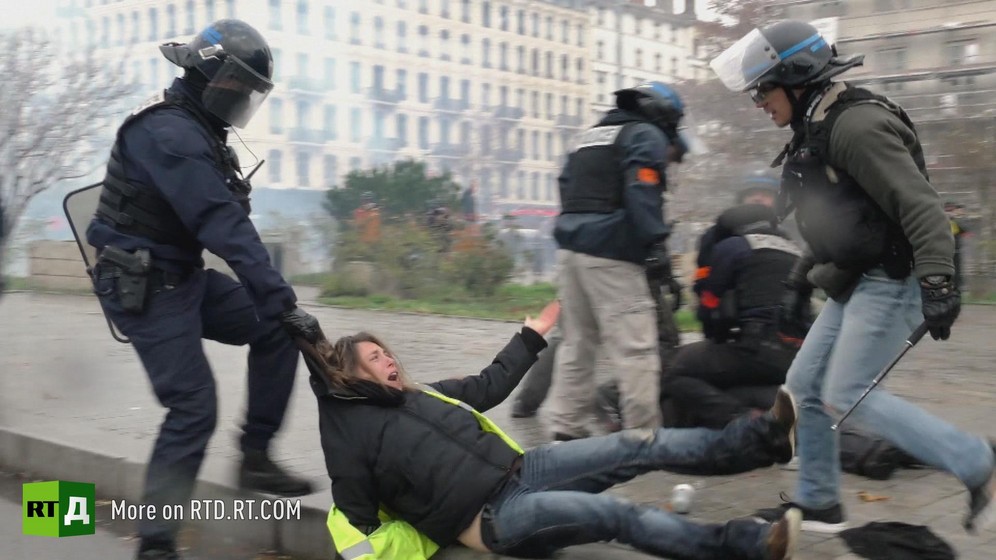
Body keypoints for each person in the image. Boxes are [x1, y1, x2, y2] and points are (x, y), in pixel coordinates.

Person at [711, 20, 995, 534]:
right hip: (857, 278)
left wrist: (938, 282)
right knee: (802, 389)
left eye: (763, 89)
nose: (758, 102)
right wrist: (801, 279)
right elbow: (838, 224)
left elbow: (920, 205)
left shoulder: (856, 127)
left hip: (894, 279)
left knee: (847, 392)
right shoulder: (816, 129)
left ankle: (978, 462)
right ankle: (819, 502)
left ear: (797, 77)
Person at [85, 20, 323, 559]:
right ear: (211, 79)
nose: (242, 101)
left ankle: (255, 456)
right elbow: (222, 224)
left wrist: (279, 307)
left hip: (179, 275)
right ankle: (155, 543)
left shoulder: (199, 130)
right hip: (142, 283)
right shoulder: (168, 134)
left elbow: (226, 224)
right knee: (193, 405)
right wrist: (281, 295)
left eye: (248, 94)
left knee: (276, 328)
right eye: (238, 89)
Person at [309, 301, 803, 560]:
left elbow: (489, 385)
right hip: (497, 517)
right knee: (615, 516)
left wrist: (530, 336)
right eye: (375, 358)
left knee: (638, 443)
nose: (390, 359)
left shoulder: (424, 394)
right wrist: (434, 536)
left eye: (386, 351)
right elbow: (361, 530)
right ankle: (749, 547)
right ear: (352, 374)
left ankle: (763, 440)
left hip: (526, 467)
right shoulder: (350, 440)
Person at [548, 81, 688, 439]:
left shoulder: (589, 137)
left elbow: (565, 187)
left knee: (576, 344)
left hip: (571, 252)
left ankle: (567, 429)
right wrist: (656, 249)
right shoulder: (645, 134)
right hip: (612, 255)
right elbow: (642, 192)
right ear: (664, 114)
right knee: (636, 349)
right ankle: (642, 438)